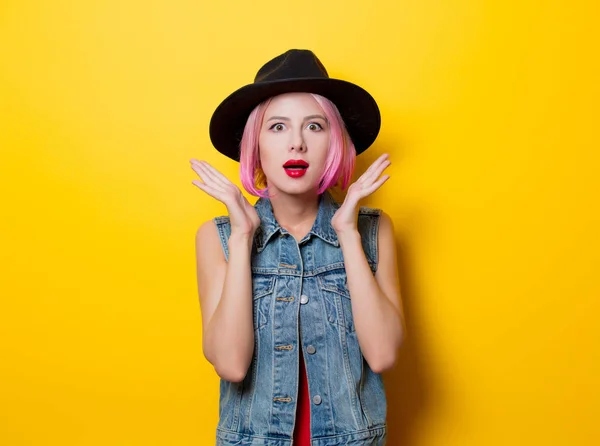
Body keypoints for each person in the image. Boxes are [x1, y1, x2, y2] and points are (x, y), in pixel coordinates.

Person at [191, 49, 404, 446]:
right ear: (254, 146)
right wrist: (242, 237)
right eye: (277, 128)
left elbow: (383, 355)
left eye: (315, 126)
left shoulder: (373, 232)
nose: (297, 144)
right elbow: (231, 365)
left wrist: (347, 233)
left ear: (335, 142)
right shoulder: (218, 238)